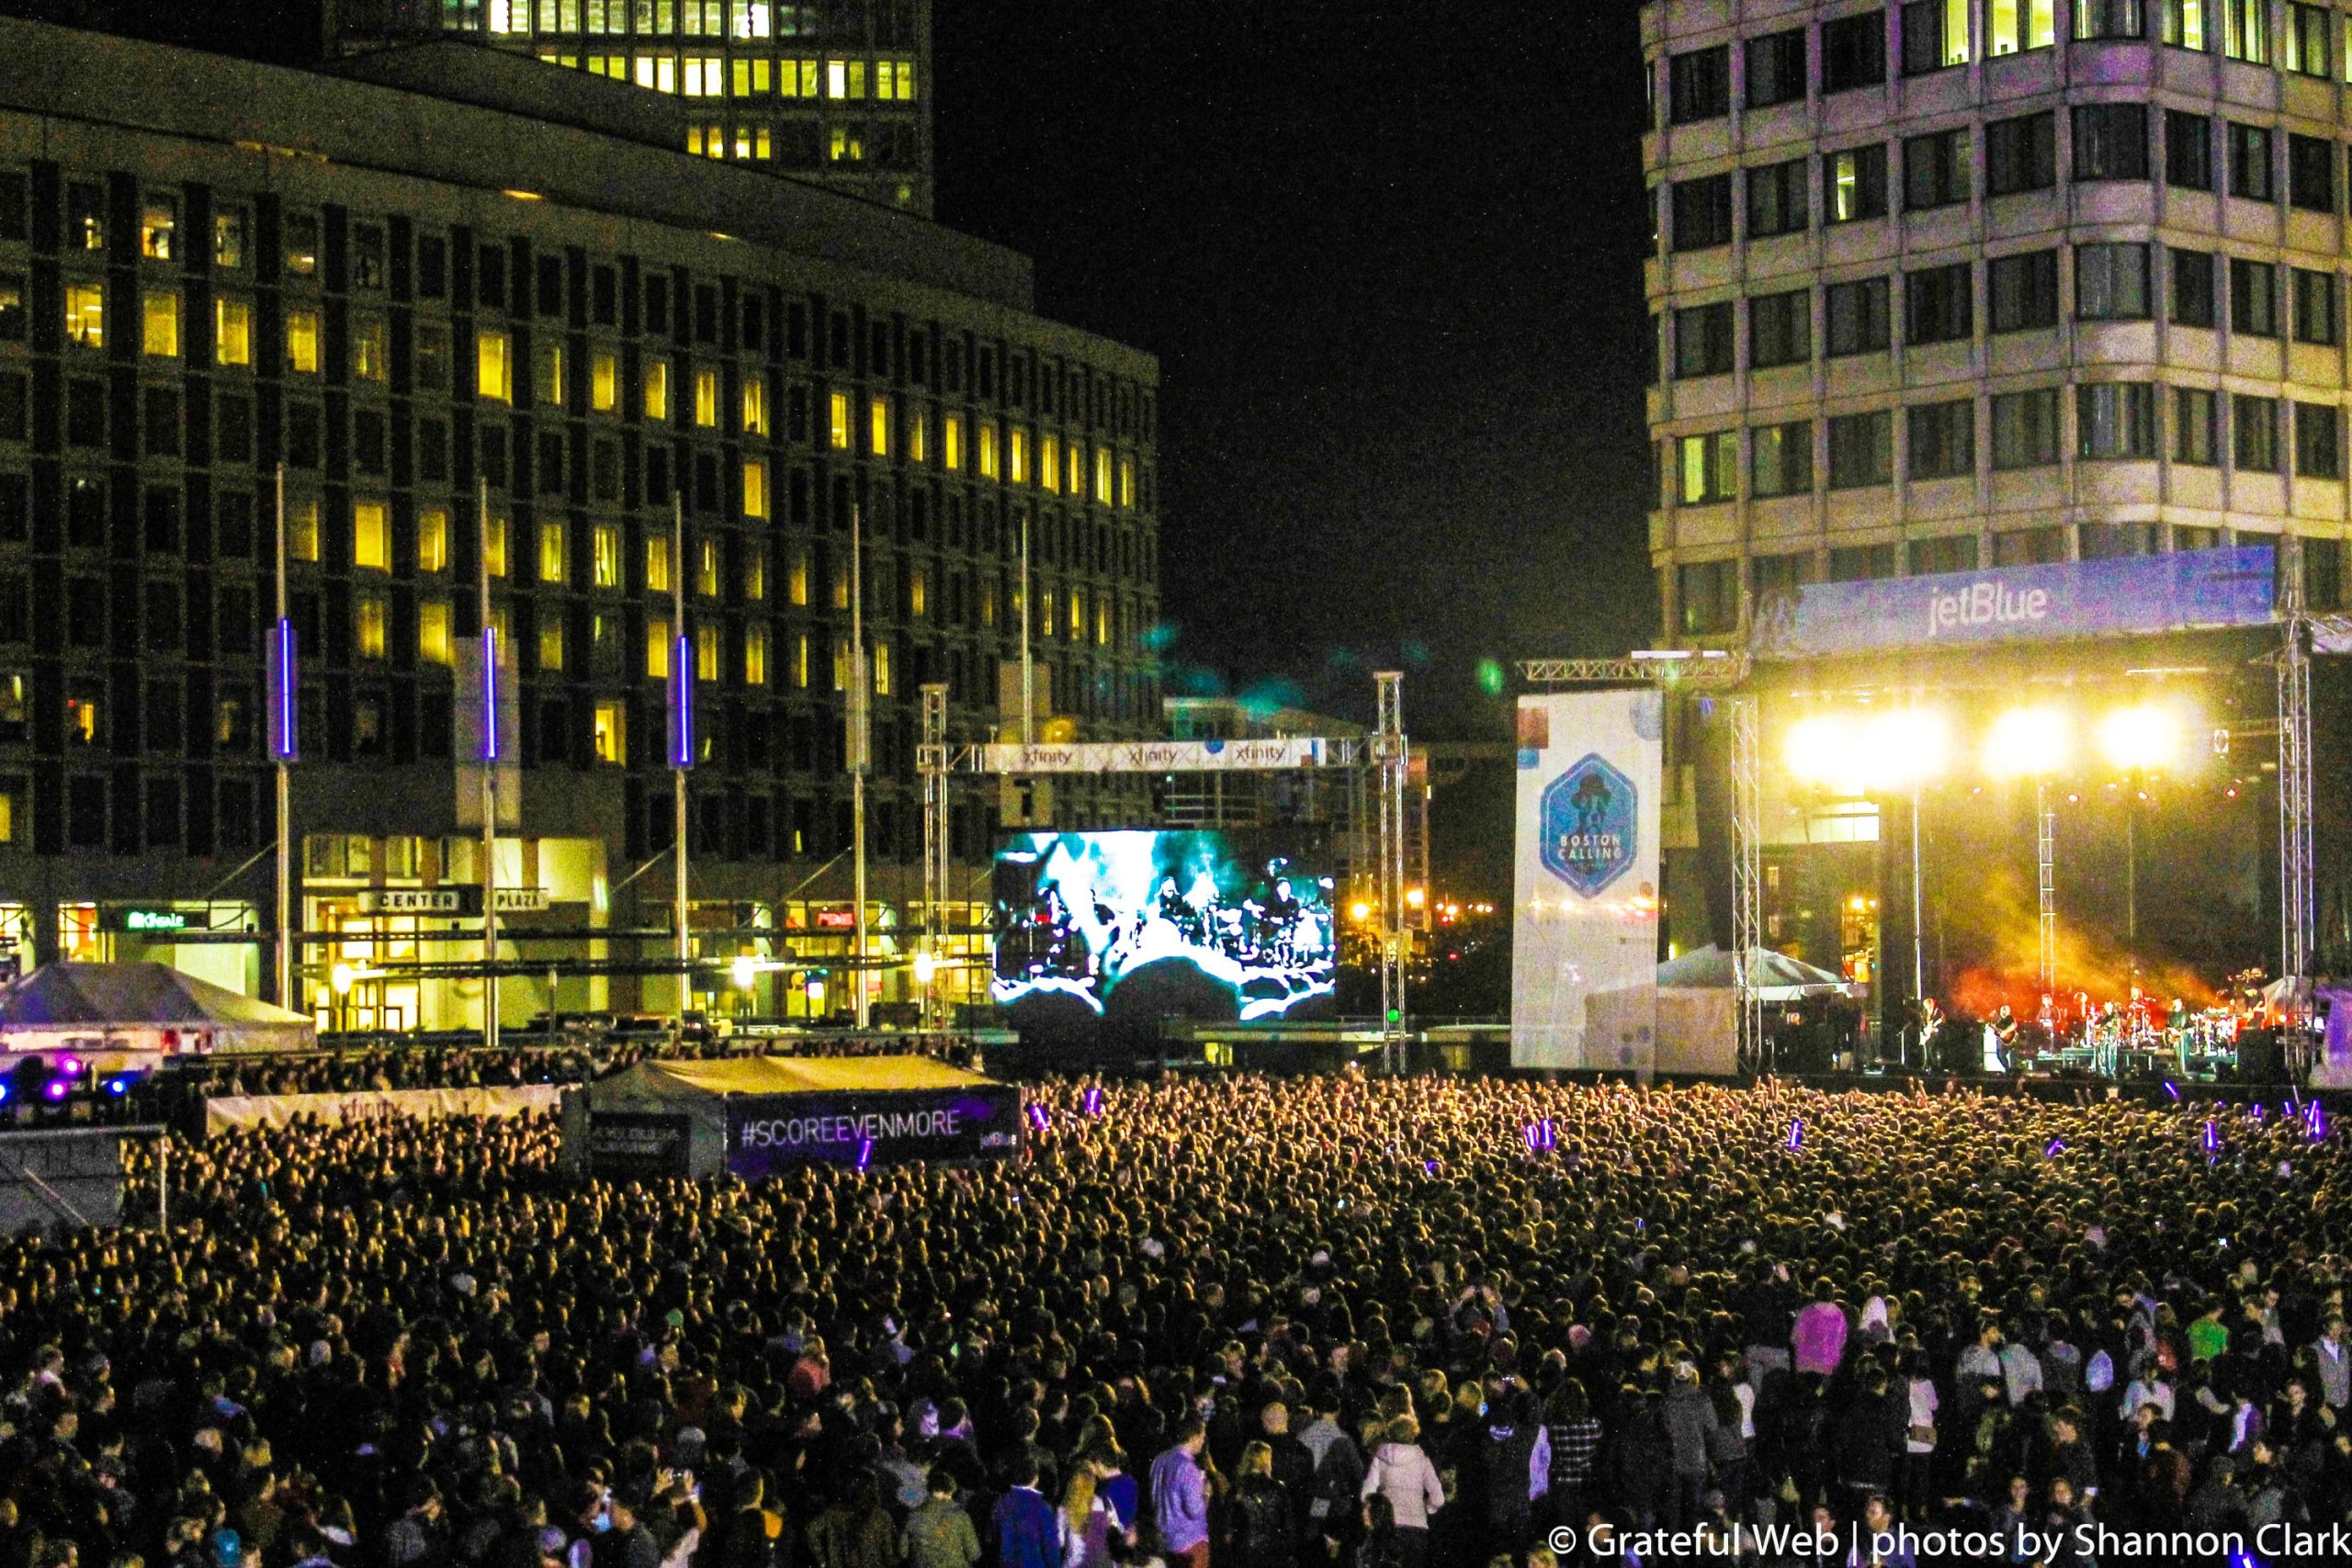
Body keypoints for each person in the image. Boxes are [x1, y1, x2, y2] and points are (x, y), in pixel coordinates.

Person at [1361, 1416, 1443, 1568]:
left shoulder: (1381, 1458)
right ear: (1413, 1435)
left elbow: (1367, 1494)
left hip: (1389, 1525)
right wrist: (1428, 1508)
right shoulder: (1423, 1461)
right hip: (1417, 1528)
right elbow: (1438, 1499)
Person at [1150, 1421, 1213, 1568]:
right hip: (1190, 1543)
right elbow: (1195, 1511)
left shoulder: (1159, 1460)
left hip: (1164, 1541)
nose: (1204, 1441)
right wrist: (1207, 1494)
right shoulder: (1187, 1467)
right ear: (1193, 1437)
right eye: (1202, 1436)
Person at [1225, 1444, 1295, 1568]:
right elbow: (1288, 1525)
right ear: (1267, 1461)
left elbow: (1228, 1528)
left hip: (1245, 1551)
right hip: (1273, 1552)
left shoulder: (1237, 1489)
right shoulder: (1278, 1488)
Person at [899, 1471, 979, 1568]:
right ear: (949, 1492)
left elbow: (902, 1552)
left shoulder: (913, 1516)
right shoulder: (962, 1517)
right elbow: (974, 1554)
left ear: (930, 1491)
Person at [990, 1461, 1057, 1568]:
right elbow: (1050, 1547)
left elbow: (995, 1538)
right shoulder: (1043, 1507)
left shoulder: (1000, 1503)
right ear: (1036, 1479)